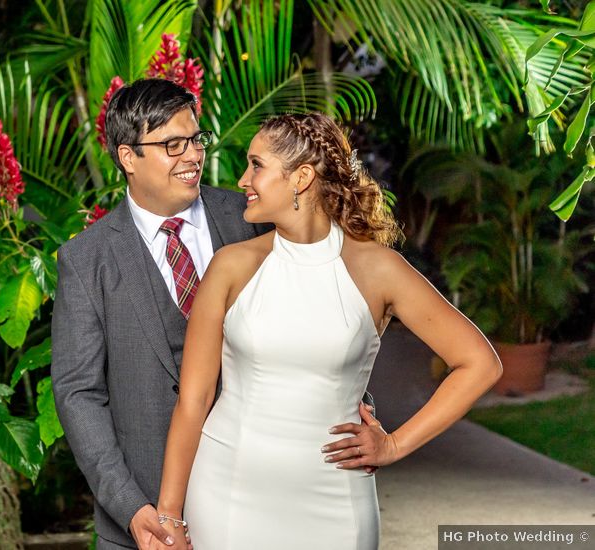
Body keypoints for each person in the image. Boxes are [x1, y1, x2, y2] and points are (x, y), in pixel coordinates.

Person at [151, 113, 503, 549]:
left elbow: (479, 364)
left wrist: (393, 445)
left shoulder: (378, 269)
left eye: (256, 165)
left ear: (300, 178)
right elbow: (194, 400)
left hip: (336, 499)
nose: (243, 179)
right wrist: (169, 515)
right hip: (229, 490)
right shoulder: (231, 267)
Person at [51, 81, 378, 550]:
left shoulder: (256, 215)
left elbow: (331, 311)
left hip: (266, 496)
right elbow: (78, 394)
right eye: (172, 145)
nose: (192, 156)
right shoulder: (87, 261)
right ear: (127, 156)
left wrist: (361, 408)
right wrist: (130, 507)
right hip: (145, 517)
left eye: (196, 140)